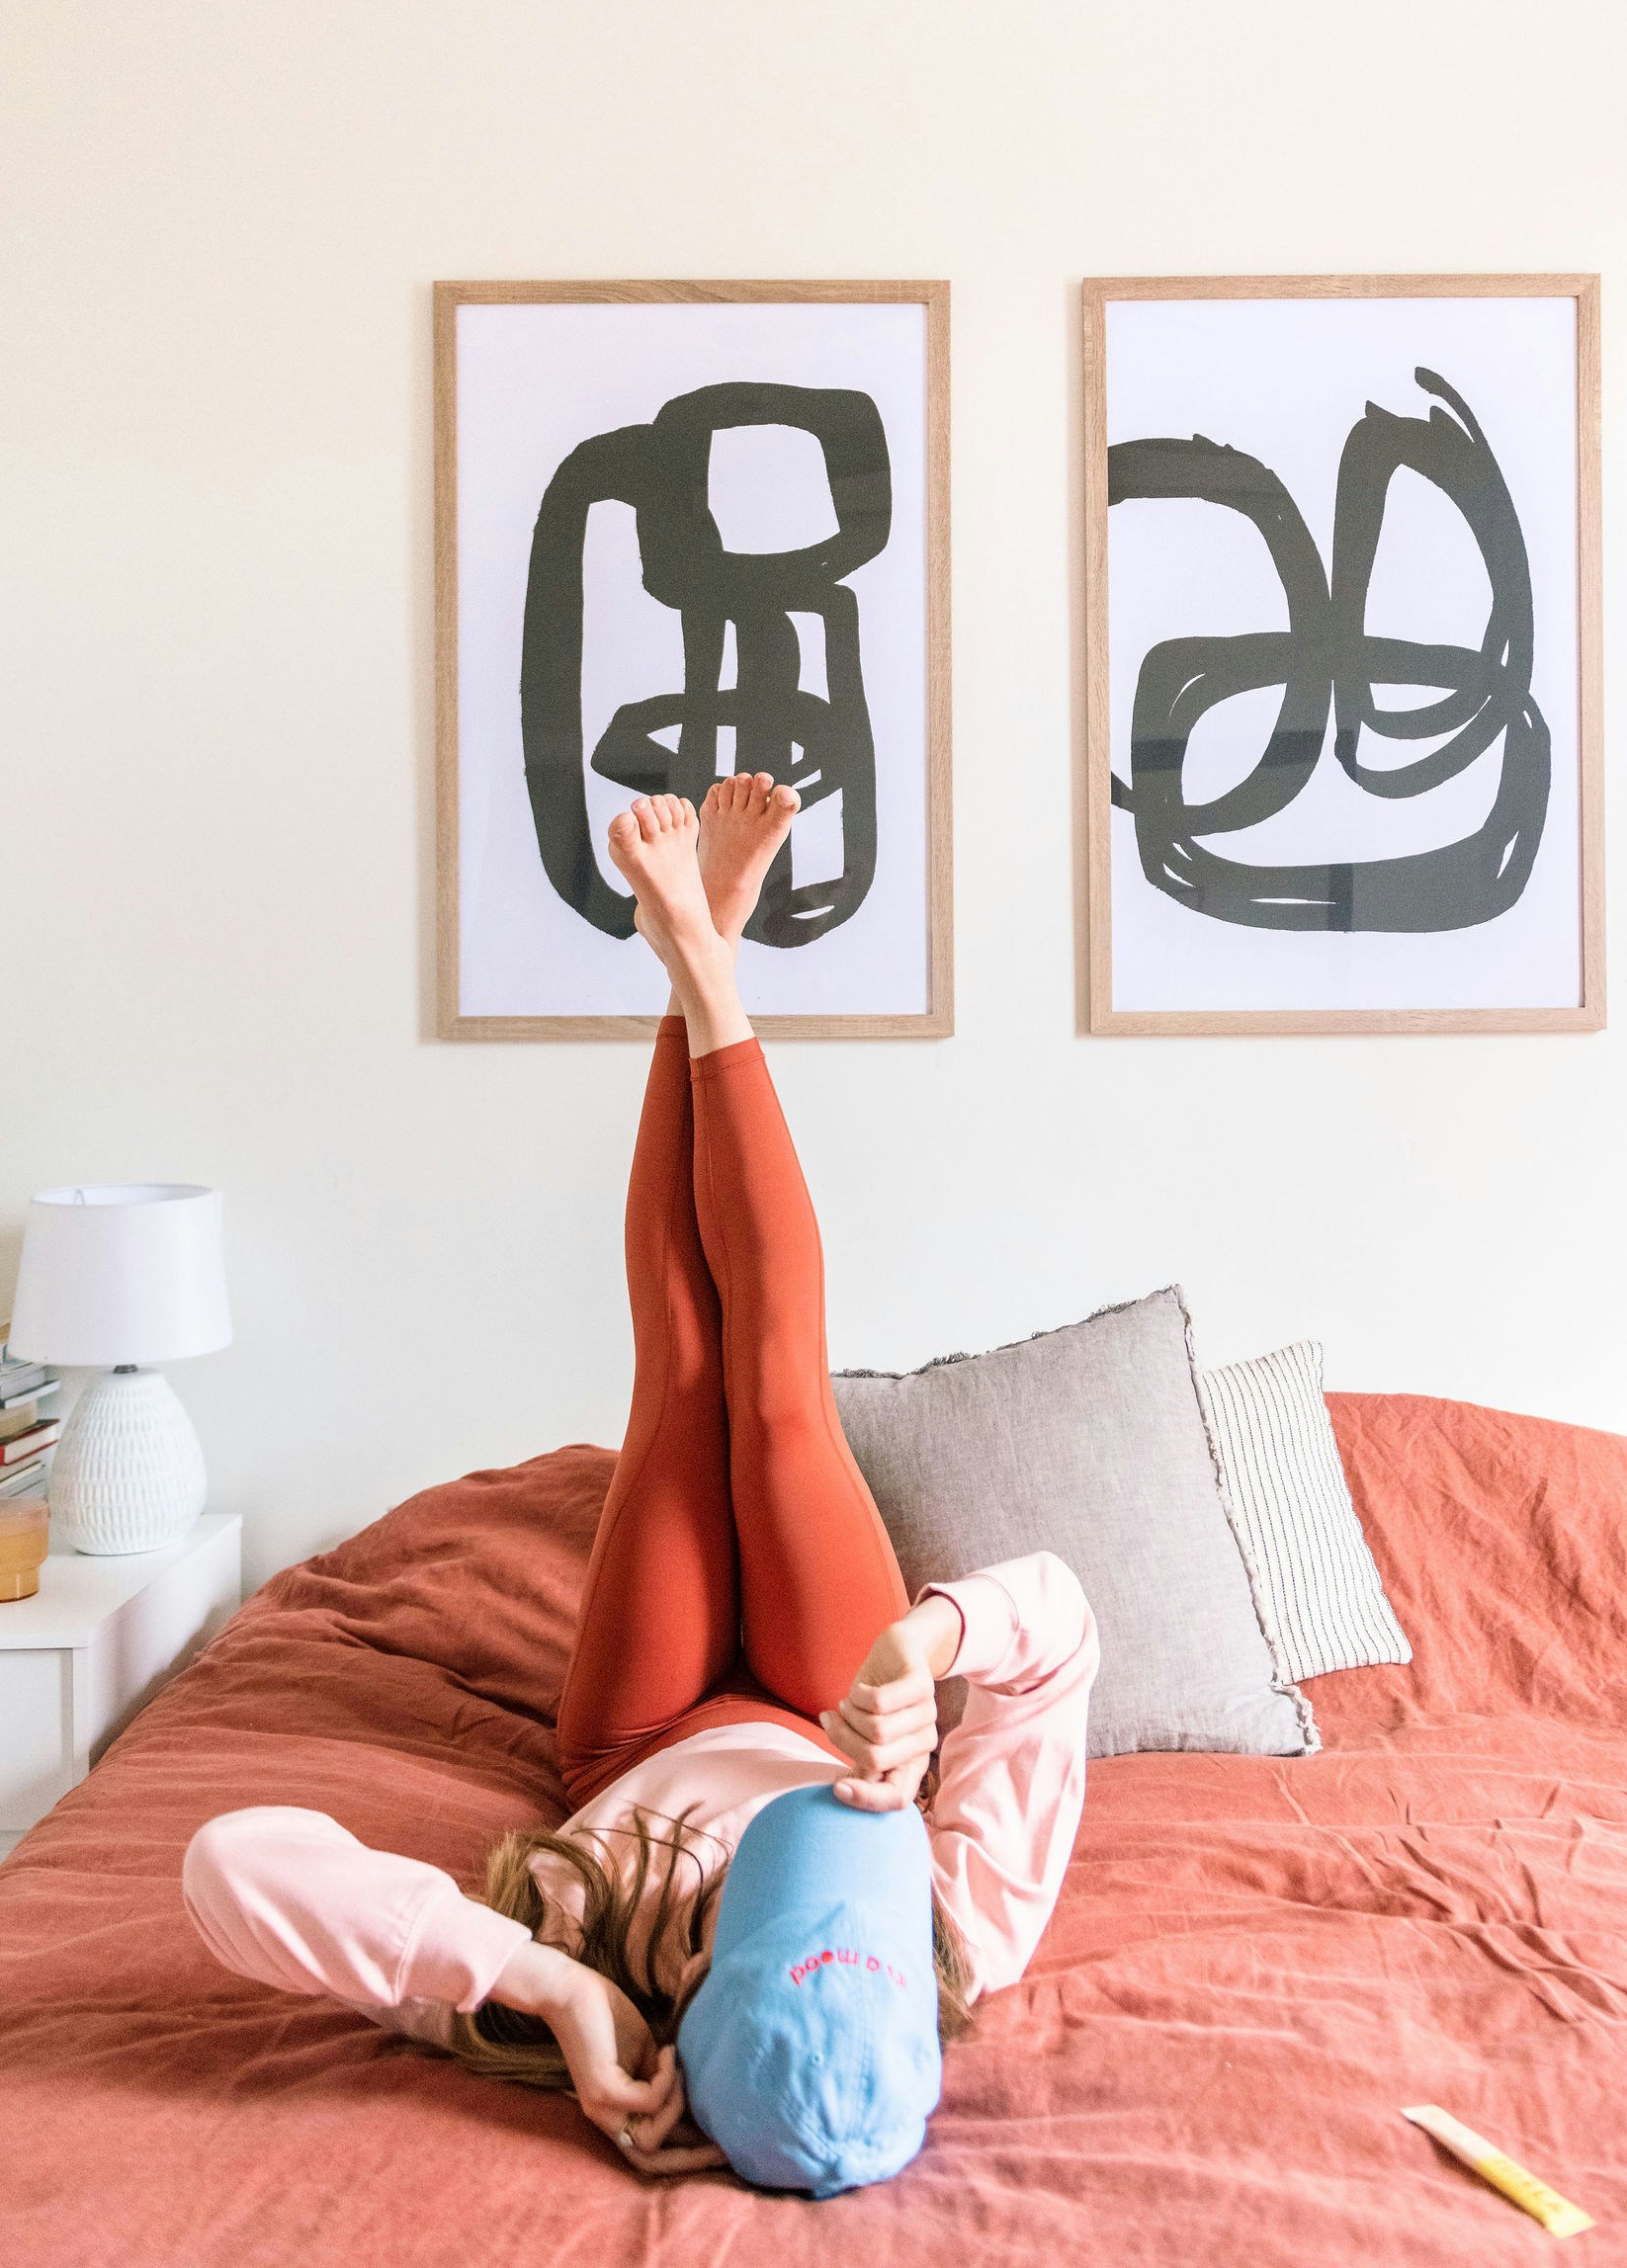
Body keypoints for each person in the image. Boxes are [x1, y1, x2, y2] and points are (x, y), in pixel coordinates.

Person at [183, 776, 1098, 2195]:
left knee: (684, 1378)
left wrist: (549, 1987)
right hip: (823, 1706)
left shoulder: (550, 1971)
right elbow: (1063, 1632)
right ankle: (706, 965)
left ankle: (700, 956)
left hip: (638, 1738)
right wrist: (932, 1649)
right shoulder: (966, 1933)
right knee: (781, 1398)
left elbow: (233, 1862)